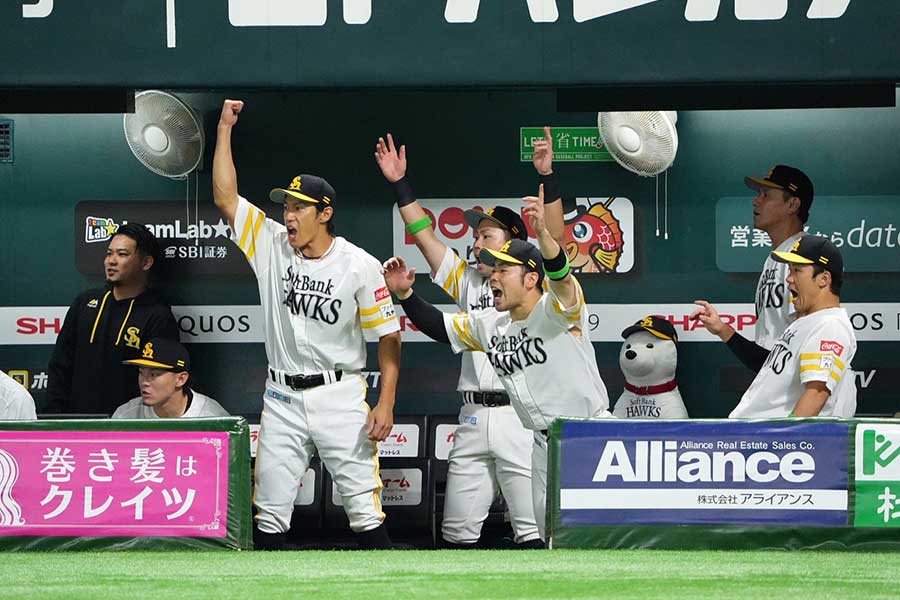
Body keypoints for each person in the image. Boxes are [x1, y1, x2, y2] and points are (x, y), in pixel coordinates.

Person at [213, 99, 401, 550]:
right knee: (269, 512)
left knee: (363, 508)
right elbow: (225, 197)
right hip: (281, 396)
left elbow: (389, 338)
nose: (289, 215)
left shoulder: (359, 265)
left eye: (300, 207)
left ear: (325, 213)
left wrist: (386, 402)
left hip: (338, 395)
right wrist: (223, 130)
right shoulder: (270, 244)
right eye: (286, 206)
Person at [384, 183, 610, 540]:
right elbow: (441, 327)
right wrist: (407, 296)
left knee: (591, 540)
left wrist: (543, 235)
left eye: (504, 269)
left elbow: (562, 274)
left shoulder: (557, 310)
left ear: (532, 277)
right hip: (538, 440)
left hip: (586, 437)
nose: (493, 275)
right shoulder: (492, 322)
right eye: (494, 269)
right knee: (547, 539)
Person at [375, 130, 564, 549]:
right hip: (473, 416)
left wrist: (548, 177)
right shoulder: (470, 280)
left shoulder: (538, 284)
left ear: (515, 243)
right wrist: (400, 185)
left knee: (534, 531)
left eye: (487, 235)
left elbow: (556, 243)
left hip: (521, 417)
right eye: (477, 236)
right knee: (456, 533)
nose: (476, 242)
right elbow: (424, 236)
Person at [46, 223, 179, 415]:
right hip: (76, 424)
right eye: (109, 253)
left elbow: (159, 381)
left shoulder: (157, 314)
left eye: (122, 254)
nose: (111, 261)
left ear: (146, 263)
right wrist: (55, 417)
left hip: (128, 427)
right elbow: (60, 365)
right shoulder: (85, 303)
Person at [693, 165, 814, 371]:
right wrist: (722, 328)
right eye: (758, 194)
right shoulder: (774, 258)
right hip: (776, 383)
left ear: (792, 204)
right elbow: (769, 353)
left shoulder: (802, 255)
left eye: (766, 195)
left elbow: (808, 342)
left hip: (796, 389)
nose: (756, 200)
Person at [725, 236, 856, 418]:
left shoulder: (830, 326)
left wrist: (787, 438)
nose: (788, 278)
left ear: (824, 279)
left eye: (797, 270)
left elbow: (816, 394)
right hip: (755, 436)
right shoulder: (809, 321)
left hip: (771, 440)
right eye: (789, 270)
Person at [113, 338, 229, 419]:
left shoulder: (211, 417)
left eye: (154, 374)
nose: (144, 381)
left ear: (181, 379)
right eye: (141, 372)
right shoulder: (125, 416)